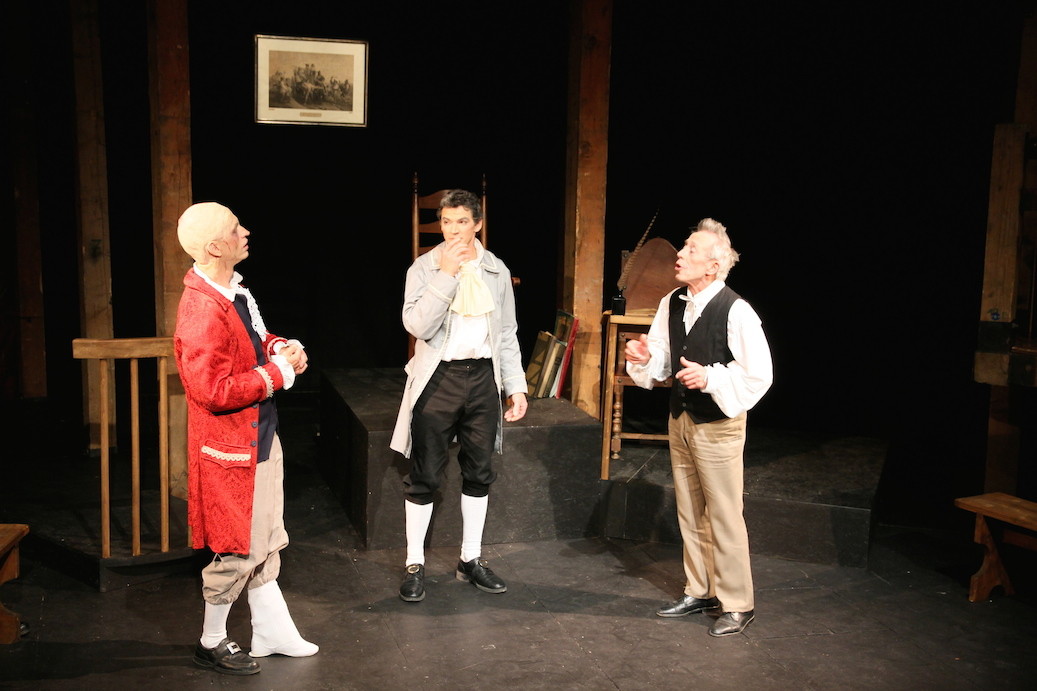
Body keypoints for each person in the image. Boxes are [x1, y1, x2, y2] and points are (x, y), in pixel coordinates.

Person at [173, 202, 317, 675]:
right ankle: (211, 641)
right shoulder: (201, 309)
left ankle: (272, 630)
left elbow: (252, 340)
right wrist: (277, 373)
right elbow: (213, 391)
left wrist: (280, 348)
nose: (246, 232)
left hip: (259, 435)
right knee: (239, 546)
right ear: (216, 247)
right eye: (236, 229)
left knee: (268, 538)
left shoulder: (230, 292)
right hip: (231, 448)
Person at [624, 217, 773, 637]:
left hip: (718, 424)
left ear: (713, 265)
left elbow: (758, 375)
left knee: (723, 514)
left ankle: (738, 603)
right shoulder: (672, 301)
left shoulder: (736, 310)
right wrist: (645, 357)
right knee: (689, 511)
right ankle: (700, 589)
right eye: (684, 246)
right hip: (682, 419)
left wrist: (710, 378)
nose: (680, 254)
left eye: (691, 249)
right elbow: (662, 355)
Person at [390, 188, 528, 602]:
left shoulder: (496, 270)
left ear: (477, 224)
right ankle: (415, 563)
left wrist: (516, 385)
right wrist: (446, 275)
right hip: (439, 378)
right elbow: (417, 326)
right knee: (425, 474)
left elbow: (506, 332)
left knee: (479, 470)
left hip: (483, 377)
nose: (453, 231)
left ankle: (470, 559)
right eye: (446, 222)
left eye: (462, 222)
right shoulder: (425, 267)